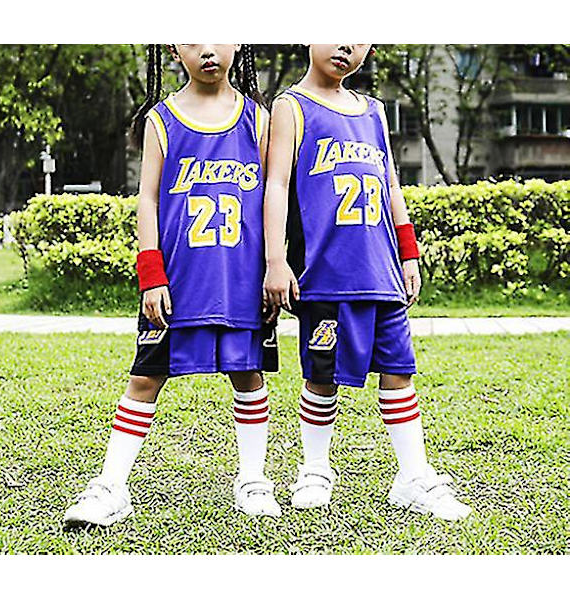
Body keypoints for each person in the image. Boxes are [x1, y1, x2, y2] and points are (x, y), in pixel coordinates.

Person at [64, 44, 280, 527]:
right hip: (178, 282)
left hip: (241, 281)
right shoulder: (162, 119)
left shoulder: (258, 120)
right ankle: (111, 487)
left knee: (248, 374)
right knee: (145, 378)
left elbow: (275, 196)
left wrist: (274, 264)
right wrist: (151, 275)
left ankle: (253, 480)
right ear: (172, 48)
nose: (207, 47)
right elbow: (147, 199)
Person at [263, 44, 471, 520]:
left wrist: (408, 253)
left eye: (359, 37)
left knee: (399, 371)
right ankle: (315, 469)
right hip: (325, 274)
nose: (345, 44)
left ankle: (413, 475)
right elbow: (276, 185)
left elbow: (391, 186)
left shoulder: (375, 111)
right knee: (321, 376)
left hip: (381, 271)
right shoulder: (291, 106)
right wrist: (275, 259)